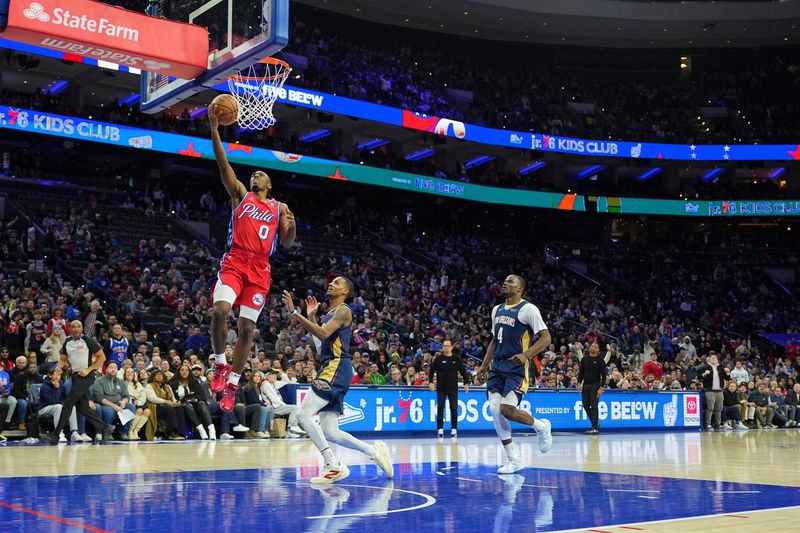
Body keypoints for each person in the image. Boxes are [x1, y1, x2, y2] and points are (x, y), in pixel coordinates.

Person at [207, 106, 297, 412]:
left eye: (261, 173)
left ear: (269, 185)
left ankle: (232, 383)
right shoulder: (240, 195)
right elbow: (222, 166)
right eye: (254, 173)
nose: (254, 174)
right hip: (235, 261)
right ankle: (220, 364)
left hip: (260, 269)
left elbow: (286, 242)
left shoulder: (279, 207)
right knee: (219, 311)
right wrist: (215, 129)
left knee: (246, 329)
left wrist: (292, 226)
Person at [281, 277, 393, 484]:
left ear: (345, 291)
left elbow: (323, 334)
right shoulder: (331, 315)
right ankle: (374, 451)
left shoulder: (344, 310)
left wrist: (295, 314)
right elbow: (320, 343)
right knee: (329, 430)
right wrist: (312, 318)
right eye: (330, 281)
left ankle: (333, 464)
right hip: (332, 367)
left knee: (303, 414)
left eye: (337, 282)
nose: (331, 284)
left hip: (336, 367)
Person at [477, 274, 553, 474]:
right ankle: (514, 459)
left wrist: (526, 354)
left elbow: (546, 338)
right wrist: (484, 366)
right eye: (505, 281)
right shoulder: (497, 310)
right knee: (495, 410)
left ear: (520, 289)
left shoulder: (528, 309)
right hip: (497, 367)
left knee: (507, 410)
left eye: (511, 282)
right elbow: (494, 341)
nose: (505, 283)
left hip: (516, 368)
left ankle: (541, 427)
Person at [41, 320, 113, 445]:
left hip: (86, 376)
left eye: (78, 326)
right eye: (73, 327)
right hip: (74, 376)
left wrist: (89, 369)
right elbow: (63, 359)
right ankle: (105, 428)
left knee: (68, 403)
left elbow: (102, 357)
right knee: (83, 407)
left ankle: (55, 435)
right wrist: (58, 368)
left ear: (82, 329)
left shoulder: (88, 341)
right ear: (70, 328)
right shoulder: (67, 342)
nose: (75, 329)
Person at [428, 339, 470, 438]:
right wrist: (430, 382)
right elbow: (431, 371)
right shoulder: (438, 359)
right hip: (441, 388)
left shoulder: (457, 359)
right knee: (440, 408)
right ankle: (440, 428)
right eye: (444, 346)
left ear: (451, 347)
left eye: (448, 346)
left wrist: (466, 383)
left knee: (454, 408)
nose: (446, 348)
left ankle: (454, 429)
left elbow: (463, 372)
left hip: (453, 388)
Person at [38, 367, 84, 442]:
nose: (57, 377)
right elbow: (52, 401)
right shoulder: (45, 386)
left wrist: (65, 402)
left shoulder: (61, 383)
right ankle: (59, 433)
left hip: (56, 406)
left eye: (59, 375)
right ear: (49, 376)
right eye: (55, 374)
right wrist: (56, 388)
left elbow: (64, 397)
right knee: (58, 407)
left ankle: (74, 432)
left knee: (71, 406)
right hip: (43, 408)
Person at [92, 361, 136, 439]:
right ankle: (107, 432)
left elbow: (126, 396)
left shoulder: (121, 382)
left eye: (115, 368)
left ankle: (123, 433)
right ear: (106, 369)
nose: (113, 369)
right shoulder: (99, 380)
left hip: (119, 404)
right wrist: (114, 406)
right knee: (109, 411)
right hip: (105, 405)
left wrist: (124, 402)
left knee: (131, 407)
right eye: (111, 367)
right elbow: (99, 398)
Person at [169, 365, 213, 440]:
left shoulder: (194, 382)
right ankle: (201, 429)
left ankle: (212, 430)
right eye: (182, 370)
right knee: (186, 404)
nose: (184, 372)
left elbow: (202, 396)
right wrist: (187, 398)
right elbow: (172, 397)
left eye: (186, 370)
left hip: (195, 404)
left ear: (189, 372)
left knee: (202, 403)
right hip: (181, 405)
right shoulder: (172, 383)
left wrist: (195, 399)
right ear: (178, 372)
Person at [261, 368, 305, 436]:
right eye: (272, 374)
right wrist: (284, 405)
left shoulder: (274, 383)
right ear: (267, 376)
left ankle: (292, 429)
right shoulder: (265, 384)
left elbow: (287, 381)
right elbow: (274, 399)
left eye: (275, 374)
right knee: (294, 408)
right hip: (273, 407)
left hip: (278, 406)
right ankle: (291, 428)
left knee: (295, 407)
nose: (275, 376)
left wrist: (281, 373)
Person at [144, 370, 186, 440]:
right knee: (169, 409)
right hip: (156, 407)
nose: (159, 376)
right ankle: (171, 433)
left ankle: (180, 433)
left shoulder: (167, 386)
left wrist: (176, 403)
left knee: (179, 409)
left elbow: (173, 398)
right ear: (153, 377)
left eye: (161, 375)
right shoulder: (149, 386)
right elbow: (152, 398)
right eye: (157, 375)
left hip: (168, 406)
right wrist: (165, 401)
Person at [578, 341, 607, 434]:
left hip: (595, 384)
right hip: (585, 384)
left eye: (595, 347)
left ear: (598, 350)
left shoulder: (600, 361)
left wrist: (601, 388)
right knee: (585, 405)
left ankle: (594, 427)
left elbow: (604, 375)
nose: (592, 347)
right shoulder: (584, 359)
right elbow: (581, 372)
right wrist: (578, 383)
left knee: (594, 406)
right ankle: (595, 424)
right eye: (592, 346)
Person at [122, 367, 150, 440]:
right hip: (130, 402)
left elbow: (143, 395)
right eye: (128, 372)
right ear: (124, 374)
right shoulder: (123, 383)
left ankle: (136, 430)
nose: (130, 374)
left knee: (147, 411)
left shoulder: (138, 384)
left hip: (139, 402)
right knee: (139, 411)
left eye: (131, 372)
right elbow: (126, 395)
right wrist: (134, 398)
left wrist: (139, 402)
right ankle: (130, 430)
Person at [698, 353, 724, 430]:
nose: (713, 359)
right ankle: (708, 424)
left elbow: (727, 377)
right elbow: (699, 376)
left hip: (719, 390)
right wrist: (704, 374)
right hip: (709, 390)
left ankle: (718, 424)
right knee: (710, 408)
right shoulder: (706, 367)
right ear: (709, 360)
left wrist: (727, 372)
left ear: (717, 360)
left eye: (714, 358)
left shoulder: (720, 367)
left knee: (719, 408)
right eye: (711, 358)